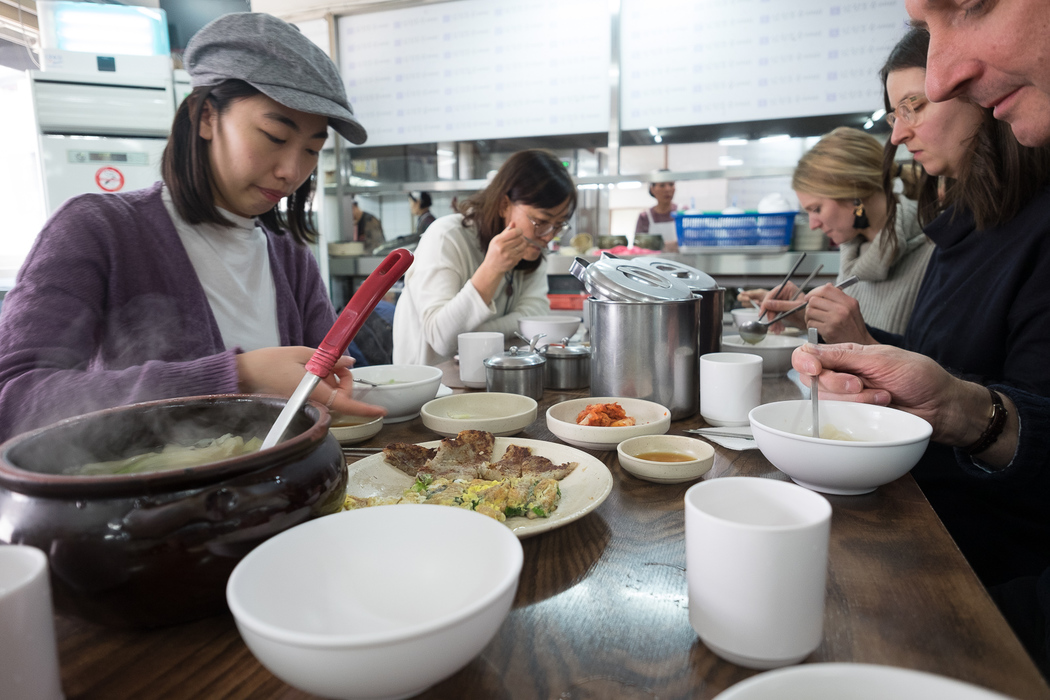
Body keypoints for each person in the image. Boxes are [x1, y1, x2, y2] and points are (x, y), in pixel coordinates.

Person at [792, 20, 1050, 672]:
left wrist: (962, 410)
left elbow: (1010, 416)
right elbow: (937, 362)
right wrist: (861, 347)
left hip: (978, 558)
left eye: (914, 107)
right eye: (894, 111)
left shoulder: (1030, 234)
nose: (899, 133)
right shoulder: (959, 227)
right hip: (920, 511)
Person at [0, 13, 386, 444]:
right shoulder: (97, 230)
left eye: (312, 150)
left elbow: (325, 381)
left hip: (283, 493)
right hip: (141, 504)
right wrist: (235, 377)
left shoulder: (289, 257)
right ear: (204, 116)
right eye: (275, 136)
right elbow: (14, 398)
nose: (290, 171)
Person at [742, 127, 935, 336]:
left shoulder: (935, 248)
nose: (813, 225)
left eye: (816, 209)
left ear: (855, 194)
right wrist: (806, 316)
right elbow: (855, 342)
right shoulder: (855, 250)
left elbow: (933, 362)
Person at [392, 149, 575, 366]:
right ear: (504, 204)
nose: (549, 235)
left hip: (492, 379)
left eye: (559, 224)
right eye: (541, 221)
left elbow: (537, 314)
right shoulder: (446, 237)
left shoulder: (532, 247)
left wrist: (473, 334)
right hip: (432, 387)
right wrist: (492, 269)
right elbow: (442, 340)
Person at [635, 172, 678, 251]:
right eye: (662, 185)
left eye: (671, 184)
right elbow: (638, 248)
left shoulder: (682, 213)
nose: (668, 189)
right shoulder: (645, 217)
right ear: (652, 189)